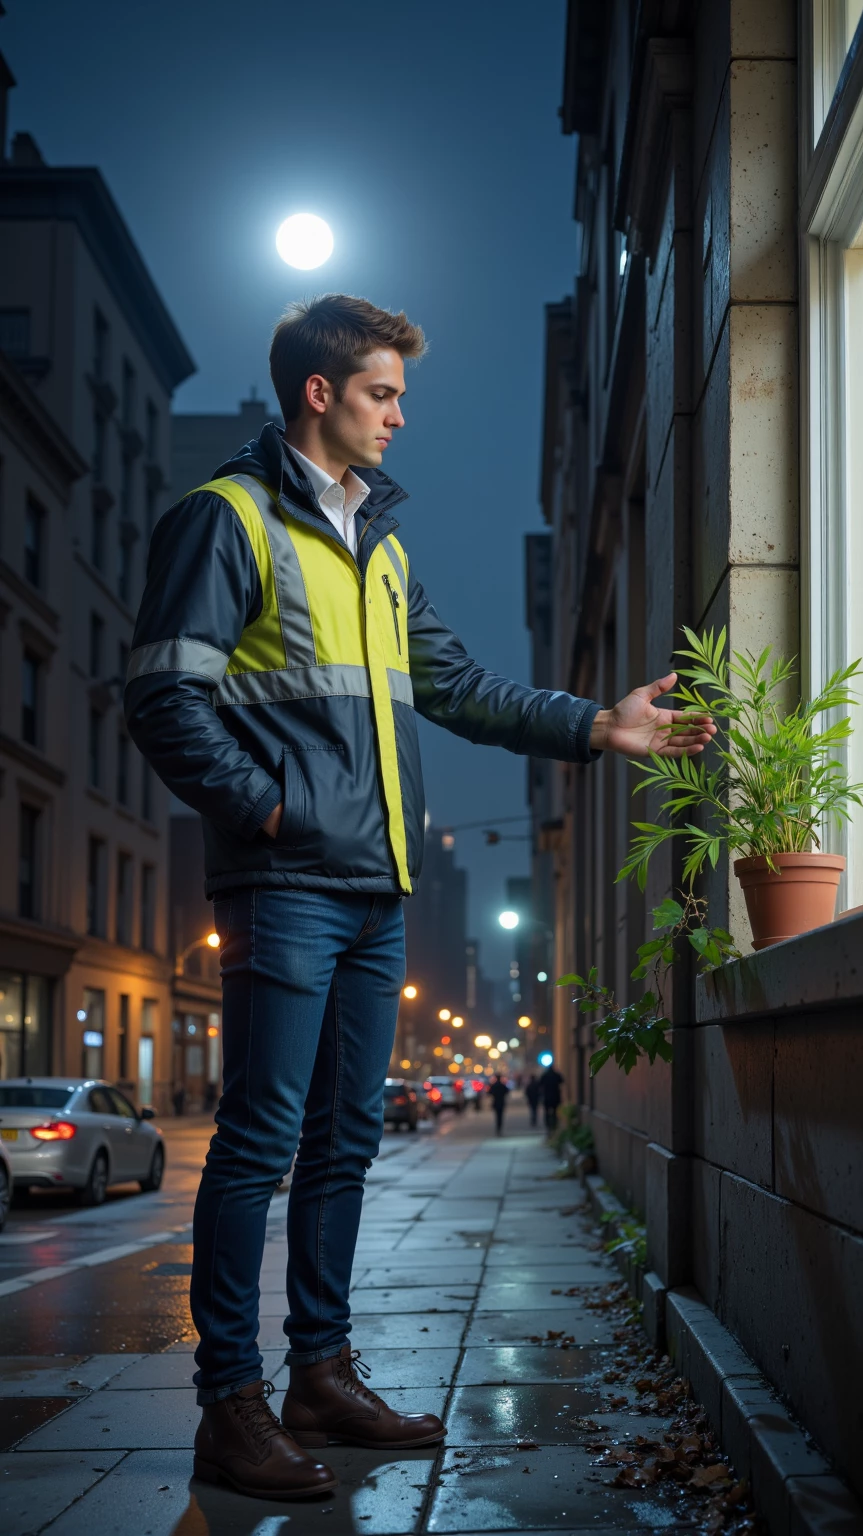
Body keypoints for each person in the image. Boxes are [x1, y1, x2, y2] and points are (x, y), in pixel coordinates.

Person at [125, 293, 714, 1501]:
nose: (402, 414)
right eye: (385, 392)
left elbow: (455, 686)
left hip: (373, 887)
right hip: (287, 878)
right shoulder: (224, 519)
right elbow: (160, 698)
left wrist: (597, 724)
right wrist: (274, 807)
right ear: (320, 394)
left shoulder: (378, 544)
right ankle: (228, 1406)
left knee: (343, 1145)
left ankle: (319, 1376)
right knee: (256, 1145)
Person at [540, 1063, 565, 1132]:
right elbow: (562, 1081)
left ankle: (548, 1126)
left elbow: (540, 1084)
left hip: (547, 1097)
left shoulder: (545, 1075)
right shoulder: (556, 1075)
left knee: (547, 1112)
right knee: (555, 1112)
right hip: (555, 1096)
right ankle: (554, 1125)